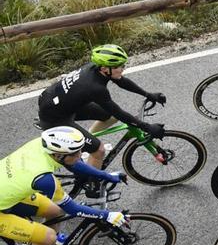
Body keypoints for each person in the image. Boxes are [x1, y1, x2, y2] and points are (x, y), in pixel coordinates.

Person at [0, 128, 125, 245]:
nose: (81, 154)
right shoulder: (45, 179)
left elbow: (75, 165)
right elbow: (73, 209)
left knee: (54, 210)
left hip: (7, 193)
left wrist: (106, 175)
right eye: (75, 152)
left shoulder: (40, 145)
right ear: (59, 154)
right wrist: (107, 215)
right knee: (48, 238)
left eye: (80, 149)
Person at [37, 44, 165, 170]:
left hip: (58, 102)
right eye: (119, 66)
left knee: (110, 117)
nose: (122, 69)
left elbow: (121, 81)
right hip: (54, 118)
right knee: (99, 150)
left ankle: (86, 143)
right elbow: (119, 112)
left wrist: (148, 94)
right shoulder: (95, 88)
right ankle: (93, 186)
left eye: (123, 65)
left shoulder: (95, 67)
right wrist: (147, 127)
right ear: (104, 69)